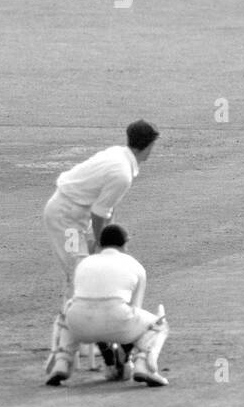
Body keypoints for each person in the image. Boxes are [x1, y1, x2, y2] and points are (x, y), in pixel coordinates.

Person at [42, 120, 159, 366]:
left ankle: (79, 341)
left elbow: (106, 210)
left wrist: (102, 241)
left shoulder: (118, 156)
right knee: (79, 273)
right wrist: (103, 245)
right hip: (66, 219)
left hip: (75, 216)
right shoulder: (122, 173)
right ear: (148, 146)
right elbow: (99, 213)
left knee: (82, 271)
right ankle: (70, 345)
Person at [45, 224, 169, 387]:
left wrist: (109, 357)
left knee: (68, 313)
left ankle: (62, 361)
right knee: (159, 325)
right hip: (118, 319)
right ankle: (144, 365)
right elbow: (134, 310)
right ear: (126, 242)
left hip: (80, 323)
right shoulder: (135, 265)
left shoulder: (84, 263)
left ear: (98, 244)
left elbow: (85, 302)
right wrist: (123, 359)